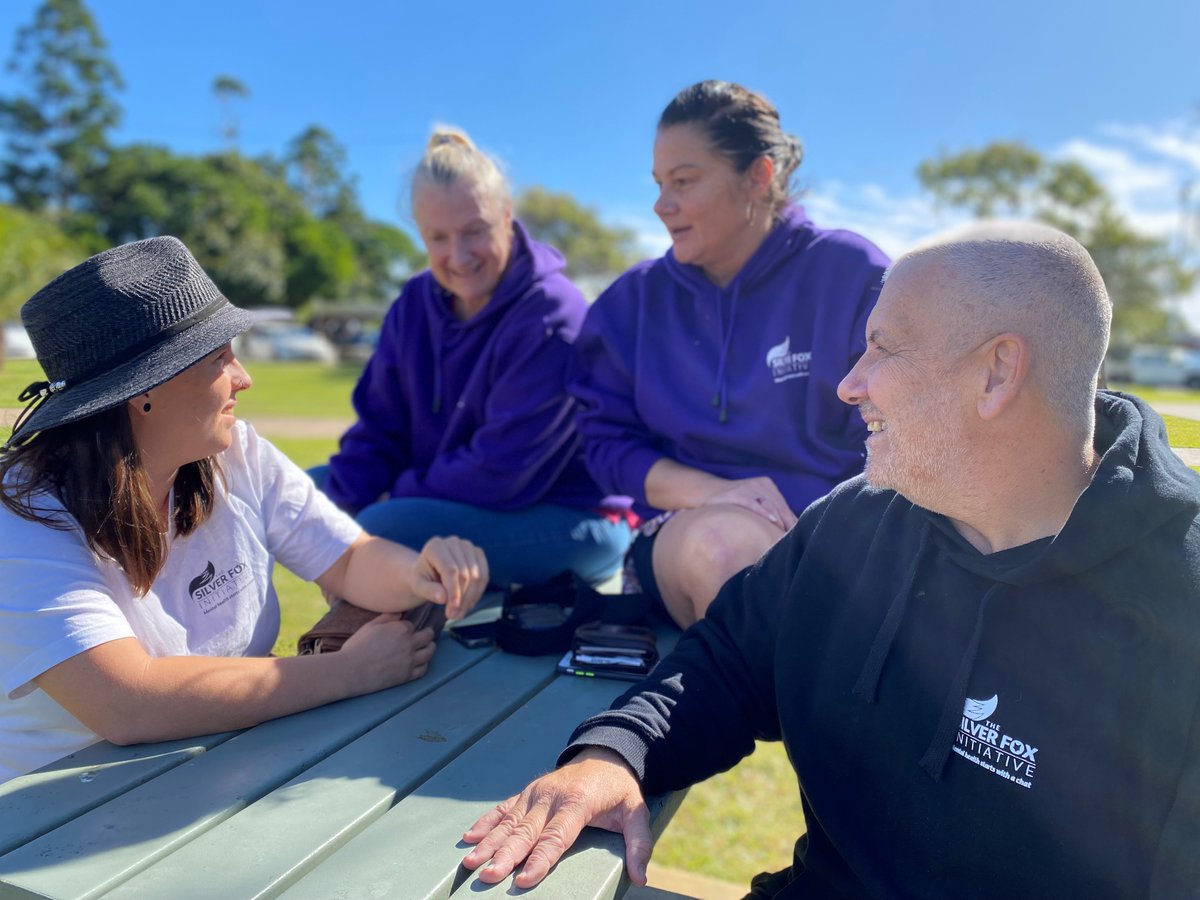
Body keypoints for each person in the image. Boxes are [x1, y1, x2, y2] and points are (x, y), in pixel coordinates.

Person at [461, 222, 1200, 897]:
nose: (850, 383)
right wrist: (616, 755)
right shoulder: (858, 523)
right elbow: (723, 663)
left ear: (997, 373)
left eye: (884, 347)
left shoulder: (1179, 603)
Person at [0, 236, 489, 784]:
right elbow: (127, 702)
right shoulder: (23, 518)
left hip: (216, 774)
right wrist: (349, 671)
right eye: (219, 357)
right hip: (52, 829)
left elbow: (350, 561)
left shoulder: (236, 455)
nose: (243, 378)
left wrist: (423, 574)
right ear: (143, 391)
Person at [571, 80, 889, 626]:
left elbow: (900, 439)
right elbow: (604, 446)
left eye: (684, 181)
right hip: (689, 532)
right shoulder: (635, 303)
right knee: (725, 546)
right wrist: (719, 492)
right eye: (658, 184)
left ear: (757, 177)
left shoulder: (853, 275)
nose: (661, 205)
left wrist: (823, 532)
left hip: (837, 540)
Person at [318, 127, 630, 590]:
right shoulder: (414, 303)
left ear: (506, 216)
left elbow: (501, 472)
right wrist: (339, 499)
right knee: (293, 497)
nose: (458, 256)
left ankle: (370, 648)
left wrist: (383, 497)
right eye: (437, 238)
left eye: (474, 231)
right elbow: (379, 428)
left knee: (383, 527)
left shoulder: (552, 312)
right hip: (448, 495)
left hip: (573, 516)